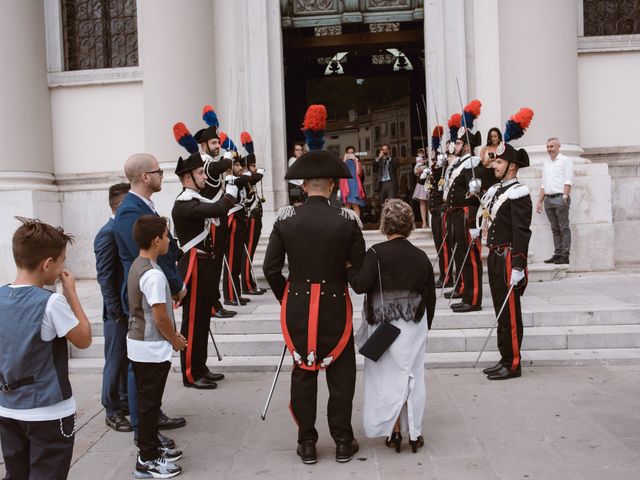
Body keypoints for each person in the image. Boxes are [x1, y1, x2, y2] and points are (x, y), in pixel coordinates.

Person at [263, 104, 366, 465]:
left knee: (303, 373)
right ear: (335, 186)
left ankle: (307, 441)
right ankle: (342, 440)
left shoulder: (286, 217)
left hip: (298, 304)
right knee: (341, 373)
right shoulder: (348, 219)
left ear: (305, 186)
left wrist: (286, 296)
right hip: (337, 303)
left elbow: (270, 267)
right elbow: (358, 271)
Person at [0, 217, 91, 479]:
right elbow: (83, 339)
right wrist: (71, 293)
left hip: (8, 407)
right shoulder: (50, 303)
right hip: (48, 410)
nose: (63, 267)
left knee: (16, 474)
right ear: (48, 264)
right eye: (62, 260)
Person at [347, 199, 435, 453]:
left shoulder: (376, 253)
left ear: (385, 225)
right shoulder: (421, 256)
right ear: (409, 226)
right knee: (414, 378)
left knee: (386, 379)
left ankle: (393, 430)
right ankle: (415, 433)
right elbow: (430, 297)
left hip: (384, 327)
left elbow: (360, 285)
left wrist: (348, 269)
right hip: (415, 325)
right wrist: (425, 327)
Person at [114, 153, 186, 447]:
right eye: (158, 171)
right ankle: (143, 430)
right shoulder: (131, 210)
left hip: (152, 289)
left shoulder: (143, 205)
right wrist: (175, 285)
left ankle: (151, 417)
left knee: (148, 375)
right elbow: (148, 256)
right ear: (145, 176)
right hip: (145, 296)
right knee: (140, 371)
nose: (162, 175)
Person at [171, 147, 238, 389]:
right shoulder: (184, 203)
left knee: (202, 321)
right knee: (192, 322)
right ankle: (190, 372)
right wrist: (230, 190)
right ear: (188, 177)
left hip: (205, 262)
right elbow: (218, 209)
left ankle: (201, 366)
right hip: (194, 264)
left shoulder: (196, 198)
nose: (204, 176)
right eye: (200, 173)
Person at [127, 215, 187, 478]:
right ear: (156, 240)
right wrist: (175, 339)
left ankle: (150, 448)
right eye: (166, 235)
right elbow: (160, 315)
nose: (168, 240)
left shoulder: (139, 264)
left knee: (148, 402)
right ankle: (147, 457)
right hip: (150, 347)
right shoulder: (152, 274)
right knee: (149, 405)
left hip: (141, 345)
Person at [480, 142, 532, 380]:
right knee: (501, 312)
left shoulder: (518, 192)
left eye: (499, 162)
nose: (494, 166)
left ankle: (513, 363)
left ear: (512, 166)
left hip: (510, 257)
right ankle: (504, 357)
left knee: (510, 312)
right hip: (495, 256)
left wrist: (519, 266)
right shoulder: (498, 190)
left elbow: (522, 232)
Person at [95, 182, 132, 432]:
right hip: (116, 312)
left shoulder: (122, 230)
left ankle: (125, 401)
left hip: (130, 309)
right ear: (119, 206)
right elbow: (105, 276)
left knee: (127, 360)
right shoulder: (106, 233)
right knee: (115, 360)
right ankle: (112, 409)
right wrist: (116, 311)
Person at [197, 106, 237, 319]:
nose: (217, 146)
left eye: (218, 143)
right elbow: (215, 169)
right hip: (210, 220)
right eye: (214, 143)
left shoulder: (212, 161)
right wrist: (228, 158)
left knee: (218, 262)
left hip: (219, 216)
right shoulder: (205, 162)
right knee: (213, 263)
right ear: (204, 145)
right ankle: (212, 304)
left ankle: (215, 302)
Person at [443, 124, 484, 312]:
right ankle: (464, 291)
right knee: (461, 255)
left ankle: (473, 298)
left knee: (470, 257)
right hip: (456, 214)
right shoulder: (459, 163)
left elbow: (474, 190)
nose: (455, 146)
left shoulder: (472, 162)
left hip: (466, 214)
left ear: (467, 146)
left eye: (458, 143)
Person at [536, 137, 573, 265]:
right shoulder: (546, 163)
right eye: (547, 147)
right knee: (555, 229)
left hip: (560, 198)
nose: (549, 149)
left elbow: (568, 180)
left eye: (551, 146)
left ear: (558, 147)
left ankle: (565, 255)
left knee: (563, 228)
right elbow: (543, 184)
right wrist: (540, 201)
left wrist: (565, 197)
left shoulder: (565, 161)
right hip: (548, 199)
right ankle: (557, 254)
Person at [240, 139, 267, 296]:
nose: (255, 168)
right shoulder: (246, 179)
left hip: (256, 219)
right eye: (252, 166)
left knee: (251, 251)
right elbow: (256, 176)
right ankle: (247, 284)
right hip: (251, 218)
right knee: (248, 252)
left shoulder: (250, 179)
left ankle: (249, 282)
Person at [339, 145, 366, 218]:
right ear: (346, 153)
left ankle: (358, 224)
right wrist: (344, 159)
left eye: (352, 152)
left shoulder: (357, 162)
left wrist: (356, 161)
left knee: (355, 206)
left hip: (354, 186)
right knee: (347, 206)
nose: (350, 154)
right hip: (346, 186)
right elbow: (341, 172)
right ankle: (347, 224)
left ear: (354, 153)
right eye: (348, 153)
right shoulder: (344, 162)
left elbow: (358, 173)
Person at [411, 148, 429, 228]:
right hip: (422, 183)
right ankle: (424, 222)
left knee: (430, 202)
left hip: (430, 182)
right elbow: (416, 171)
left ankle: (430, 220)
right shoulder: (420, 161)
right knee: (422, 202)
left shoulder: (431, 159)